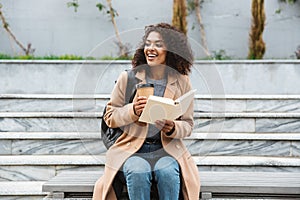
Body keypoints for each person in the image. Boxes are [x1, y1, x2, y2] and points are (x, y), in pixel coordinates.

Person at [92, 22, 200, 200]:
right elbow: (110, 116)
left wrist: (172, 127)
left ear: (171, 50)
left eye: (158, 44)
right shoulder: (128, 78)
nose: (151, 48)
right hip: (132, 149)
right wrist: (132, 110)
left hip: (166, 149)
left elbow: (187, 125)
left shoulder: (182, 81)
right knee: (138, 172)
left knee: (168, 173)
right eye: (148, 44)